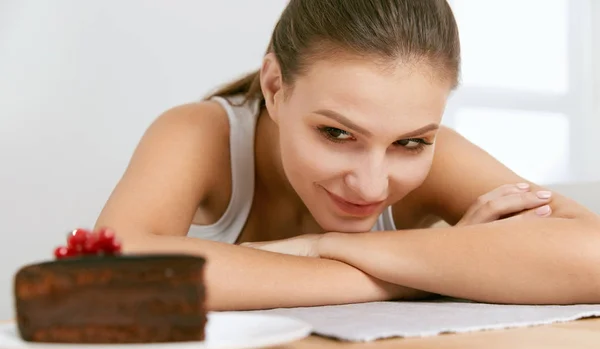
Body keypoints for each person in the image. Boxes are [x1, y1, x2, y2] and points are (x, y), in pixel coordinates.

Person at [95, 0, 600, 310]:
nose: (373, 185)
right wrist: (421, 277)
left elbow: (591, 253)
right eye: (337, 133)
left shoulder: (438, 156)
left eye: (410, 143)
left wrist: (317, 248)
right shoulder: (202, 134)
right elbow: (111, 270)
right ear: (275, 87)